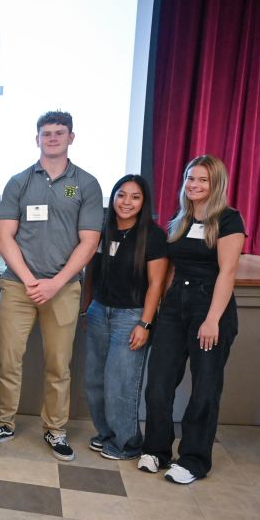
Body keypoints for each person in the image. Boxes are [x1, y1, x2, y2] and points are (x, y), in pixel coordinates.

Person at [0, 110, 103, 461]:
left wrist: (55, 283)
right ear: (37, 138)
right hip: (17, 287)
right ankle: (4, 422)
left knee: (59, 364)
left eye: (59, 133)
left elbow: (89, 241)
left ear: (71, 137)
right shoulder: (19, 182)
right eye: (46, 133)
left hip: (63, 288)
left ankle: (55, 429)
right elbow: (3, 236)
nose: (52, 138)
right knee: (9, 360)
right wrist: (29, 280)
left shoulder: (85, 184)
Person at [140, 155, 245, 484]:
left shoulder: (228, 220)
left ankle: (194, 459)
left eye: (202, 180)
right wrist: (161, 308)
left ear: (216, 185)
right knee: (158, 383)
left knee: (204, 388)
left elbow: (227, 273)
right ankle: (157, 450)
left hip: (210, 306)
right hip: (174, 307)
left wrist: (212, 319)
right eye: (190, 178)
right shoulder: (179, 218)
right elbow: (171, 268)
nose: (194, 185)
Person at [81, 175, 168, 460]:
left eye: (135, 197)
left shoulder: (152, 235)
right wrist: (86, 307)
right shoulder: (102, 230)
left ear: (144, 202)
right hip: (98, 312)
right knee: (95, 380)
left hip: (130, 317)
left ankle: (128, 442)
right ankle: (106, 434)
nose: (126, 202)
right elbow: (91, 272)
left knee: (121, 382)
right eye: (121, 195)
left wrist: (145, 323)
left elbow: (156, 283)